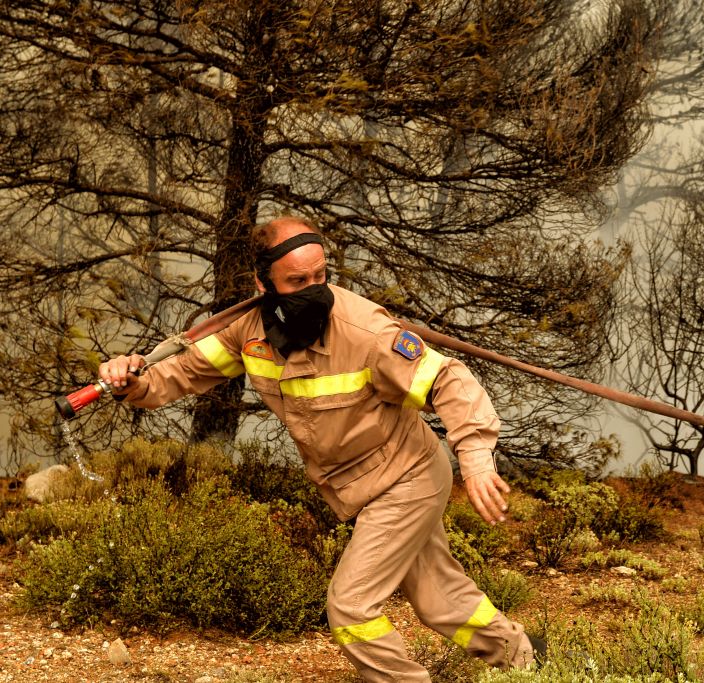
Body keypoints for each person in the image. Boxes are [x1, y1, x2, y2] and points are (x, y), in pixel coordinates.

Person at [99, 216, 543, 681]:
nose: (314, 289)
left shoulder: (364, 330)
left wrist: (474, 461)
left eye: (320, 275)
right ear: (263, 282)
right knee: (440, 600)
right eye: (297, 281)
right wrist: (133, 380)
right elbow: (181, 373)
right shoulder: (247, 332)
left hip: (408, 478)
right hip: (357, 487)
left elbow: (449, 381)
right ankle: (527, 659)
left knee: (351, 608)